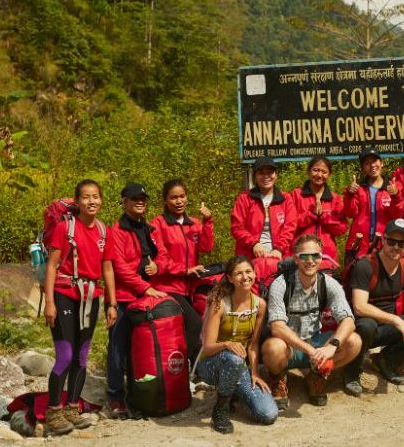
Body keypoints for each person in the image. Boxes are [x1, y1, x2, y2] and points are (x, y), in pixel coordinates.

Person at [43, 179, 117, 436]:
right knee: (65, 354)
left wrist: (111, 303)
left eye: (95, 196)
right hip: (64, 294)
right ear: (77, 201)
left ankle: (72, 409)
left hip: (91, 297)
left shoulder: (104, 231)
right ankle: (54, 411)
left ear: (102, 200)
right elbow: (51, 265)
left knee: (82, 355)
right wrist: (50, 303)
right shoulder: (65, 228)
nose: (91, 201)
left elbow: (107, 267)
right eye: (86, 197)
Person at [262, 235, 362, 408]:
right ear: (295, 259)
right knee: (273, 347)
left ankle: (316, 374)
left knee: (354, 341)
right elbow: (277, 327)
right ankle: (278, 378)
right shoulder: (281, 284)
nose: (310, 261)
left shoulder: (329, 284)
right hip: (289, 347)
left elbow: (348, 320)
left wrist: (331, 347)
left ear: (321, 257)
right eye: (304, 256)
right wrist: (310, 351)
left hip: (316, 342)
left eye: (315, 255)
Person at [345, 218, 404, 394]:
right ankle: (351, 372)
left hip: (386, 328)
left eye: (401, 243)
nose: (395, 247)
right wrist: (395, 320)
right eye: (391, 241)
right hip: (359, 327)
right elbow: (360, 307)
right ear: (383, 240)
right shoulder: (365, 265)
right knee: (367, 325)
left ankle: (385, 361)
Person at [196, 255, 278, 434]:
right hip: (210, 364)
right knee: (233, 359)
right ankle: (221, 408)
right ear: (230, 278)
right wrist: (227, 344)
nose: (245, 277)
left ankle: (234, 392)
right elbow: (207, 347)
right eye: (238, 273)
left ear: (255, 274)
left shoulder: (260, 305)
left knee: (268, 414)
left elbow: (253, 345)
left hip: (239, 366)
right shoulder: (219, 304)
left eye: (248, 272)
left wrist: (255, 372)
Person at [107, 183, 169, 417]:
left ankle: (138, 395)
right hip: (125, 297)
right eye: (134, 199)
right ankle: (115, 396)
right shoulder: (117, 231)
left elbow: (162, 253)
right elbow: (119, 267)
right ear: (124, 202)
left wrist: (158, 266)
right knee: (117, 347)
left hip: (147, 296)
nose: (140, 202)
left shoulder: (150, 228)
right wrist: (144, 287)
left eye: (143, 198)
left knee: (141, 347)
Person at [151, 179, 214, 367]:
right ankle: (177, 369)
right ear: (165, 201)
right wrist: (184, 271)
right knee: (194, 324)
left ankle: (193, 371)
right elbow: (160, 260)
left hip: (190, 289)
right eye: (173, 198)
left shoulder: (193, 223)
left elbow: (206, 246)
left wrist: (208, 221)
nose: (179, 201)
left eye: (182, 196)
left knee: (199, 325)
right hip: (167, 287)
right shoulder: (157, 224)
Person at [342, 147, 404, 261]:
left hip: (384, 245)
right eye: (367, 163)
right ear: (363, 169)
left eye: (375, 161)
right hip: (358, 245)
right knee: (355, 277)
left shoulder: (392, 188)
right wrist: (349, 195)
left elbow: (397, 215)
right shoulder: (358, 189)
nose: (372, 165)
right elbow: (350, 213)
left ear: (381, 163)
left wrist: (396, 196)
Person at [231, 156, 297, 258]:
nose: (266, 176)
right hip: (249, 257)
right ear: (255, 176)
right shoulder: (244, 198)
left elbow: (290, 228)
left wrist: (278, 249)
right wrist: (253, 244)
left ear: (276, 175)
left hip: (279, 255)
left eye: (270, 172)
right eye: (261, 172)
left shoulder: (286, 199)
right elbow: (237, 227)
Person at [290, 156, 347, 263]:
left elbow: (342, 229)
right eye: (316, 170)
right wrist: (311, 215)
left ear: (329, 174)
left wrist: (324, 217)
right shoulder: (295, 195)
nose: (319, 175)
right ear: (308, 171)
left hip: (327, 255)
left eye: (324, 172)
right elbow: (289, 224)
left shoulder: (336, 199)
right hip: (301, 253)